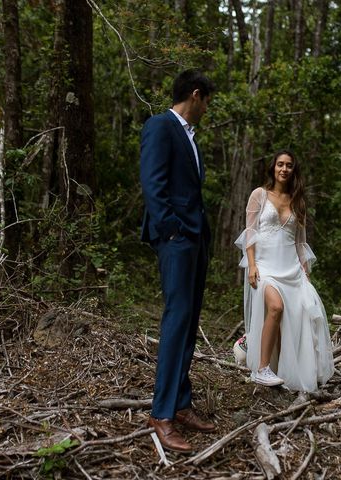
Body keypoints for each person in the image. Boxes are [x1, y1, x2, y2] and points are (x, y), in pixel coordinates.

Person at [140, 69, 216, 453]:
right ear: (196, 95)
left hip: (194, 240)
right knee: (176, 317)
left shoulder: (189, 135)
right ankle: (162, 413)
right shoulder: (160, 126)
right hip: (176, 240)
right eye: (207, 102)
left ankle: (181, 403)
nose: (207, 109)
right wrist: (171, 231)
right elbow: (152, 185)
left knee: (189, 322)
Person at [235, 150, 334, 392]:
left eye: (289, 165)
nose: (284, 169)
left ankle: (285, 367)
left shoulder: (297, 201)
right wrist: (252, 264)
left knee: (302, 314)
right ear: (273, 168)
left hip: (292, 269)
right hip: (265, 266)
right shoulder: (259, 195)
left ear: (293, 170)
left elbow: (301, 242)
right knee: (276, 307)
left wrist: (305, 270)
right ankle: (261, 369)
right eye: (280, 164)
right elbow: (250, 232)